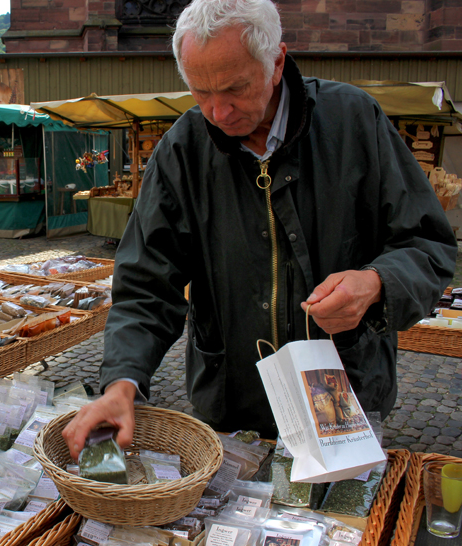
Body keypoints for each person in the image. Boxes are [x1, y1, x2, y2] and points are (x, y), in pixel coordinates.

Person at [62, 0, 458, 459]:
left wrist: (375, 284)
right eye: (200, 92)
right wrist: (121, 382)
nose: (219, 112)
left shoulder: (353, 121)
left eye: (234, 88)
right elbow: (147, 284)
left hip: (342, 391)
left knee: (340, 525)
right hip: (230, 400)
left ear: (276, 63)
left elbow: (427, 244)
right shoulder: (183, 149)